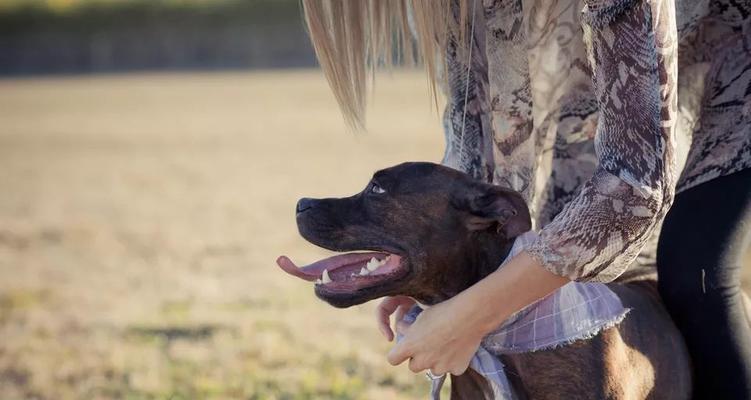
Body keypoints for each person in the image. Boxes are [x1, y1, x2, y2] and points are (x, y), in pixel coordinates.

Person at [301, 1, 751, 398]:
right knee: (553, 265)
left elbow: (634, 184)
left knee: (695, 273)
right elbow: (473, 130)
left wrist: (470, 316)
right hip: (585, 108)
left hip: (731, 75)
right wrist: (439, 264)